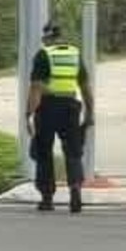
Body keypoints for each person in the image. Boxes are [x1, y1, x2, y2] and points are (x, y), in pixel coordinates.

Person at [27, 21, 94, 213]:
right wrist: (89, 113)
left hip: (47, 108)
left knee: (43, 151)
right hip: (71, 108)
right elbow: (85, 87)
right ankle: (75, 191)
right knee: (73, 152)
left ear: (46, 38)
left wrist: (28, 115)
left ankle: (47, 198)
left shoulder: (43, 55)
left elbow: (36, 88)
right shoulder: (75, 54)